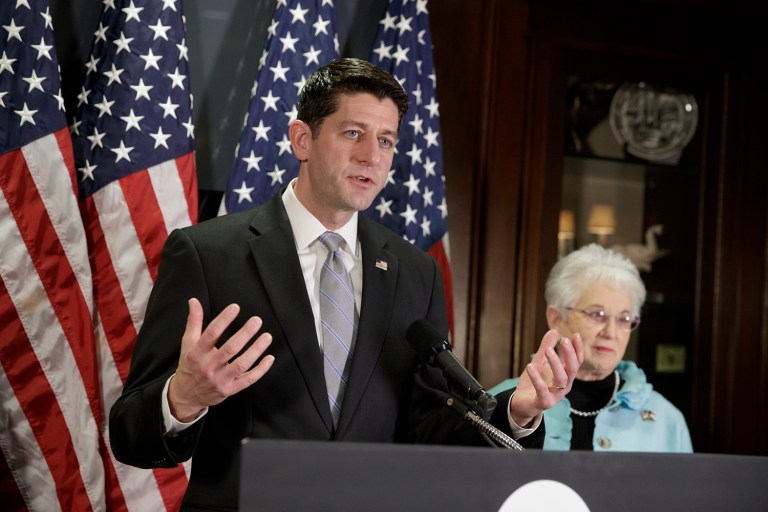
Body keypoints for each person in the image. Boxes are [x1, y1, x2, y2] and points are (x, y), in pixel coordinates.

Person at [108, 58, 584, 510]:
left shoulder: (414, 272)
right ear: (302, 140)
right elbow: (131, 436)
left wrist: (515, 413)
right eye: (353, 133)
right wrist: (183, 396)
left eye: (386, 141)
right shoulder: (208, 254)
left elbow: (426, 427)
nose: (370, 156)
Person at [489, 243, 692, 452]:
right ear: (557, 318)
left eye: (624, 319)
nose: (611, 333)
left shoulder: (668, 420)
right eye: (597, 315)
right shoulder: (504, 403)